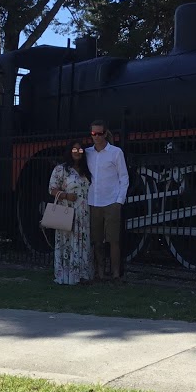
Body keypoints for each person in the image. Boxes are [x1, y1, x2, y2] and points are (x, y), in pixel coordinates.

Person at [85, 120, 129, 281]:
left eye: (99, 133)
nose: (96, 137)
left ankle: (116, 273)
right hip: (93, 201)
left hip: (111, 201)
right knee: (97, 240)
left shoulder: (116, 152)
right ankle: (100, 272)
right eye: (93, 133)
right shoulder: (88, 152)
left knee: (113, 240)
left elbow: (124, 177)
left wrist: (119, 201)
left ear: (105, 134)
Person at [48, 142, 95, 285]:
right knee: (67, 242)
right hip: (68, 211)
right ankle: (67, 275)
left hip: (84, 212)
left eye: (80, 149)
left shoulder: (86, 170)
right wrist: (66, 196)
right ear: (69, 151)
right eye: (74, 149)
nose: (77, 152)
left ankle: (83, 274)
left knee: (84, 242)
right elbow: (51, 189)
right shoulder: (61, 169)